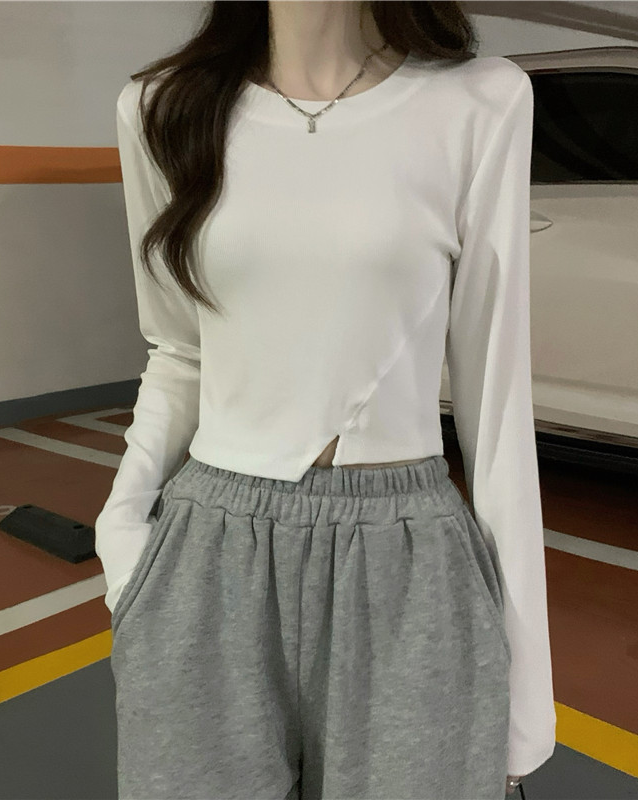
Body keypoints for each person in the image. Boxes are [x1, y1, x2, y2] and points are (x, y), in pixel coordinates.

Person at [95, 2, 556, 798]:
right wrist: (123, 528)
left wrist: (528, 695)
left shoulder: (480, 101)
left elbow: (498, 400)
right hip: (207, 555)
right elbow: (179, 350)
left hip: (407, 560)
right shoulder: (161, 108)